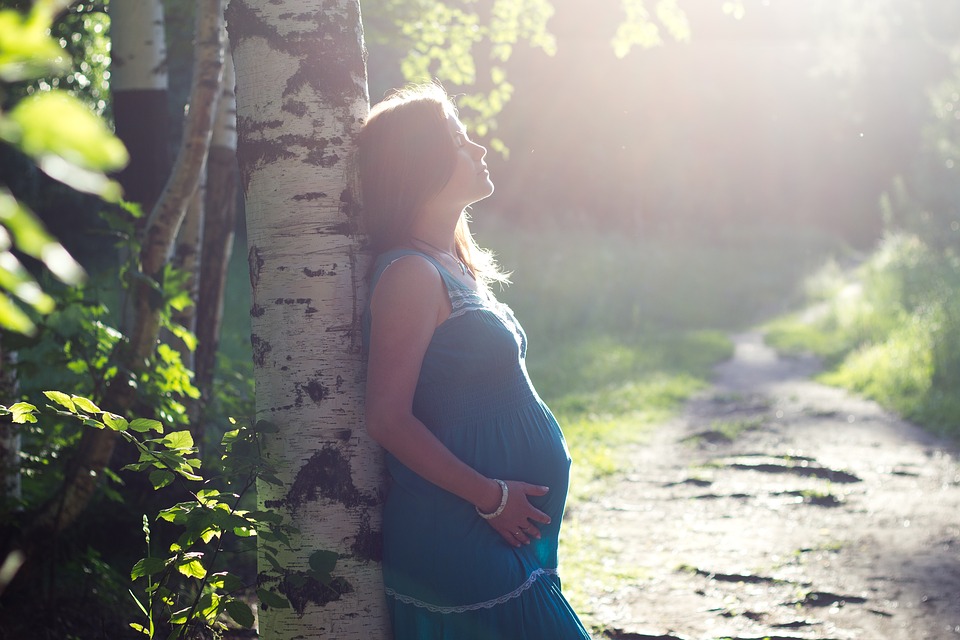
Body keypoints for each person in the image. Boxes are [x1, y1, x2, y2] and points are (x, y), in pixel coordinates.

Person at [359, 83, 592, 640]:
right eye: (461, 141)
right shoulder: (410, 275)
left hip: (499, 535)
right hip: (461, 532)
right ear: (422, 166)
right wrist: (493, 498)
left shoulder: (451, 263)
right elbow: (387, 418)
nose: (480, 150)